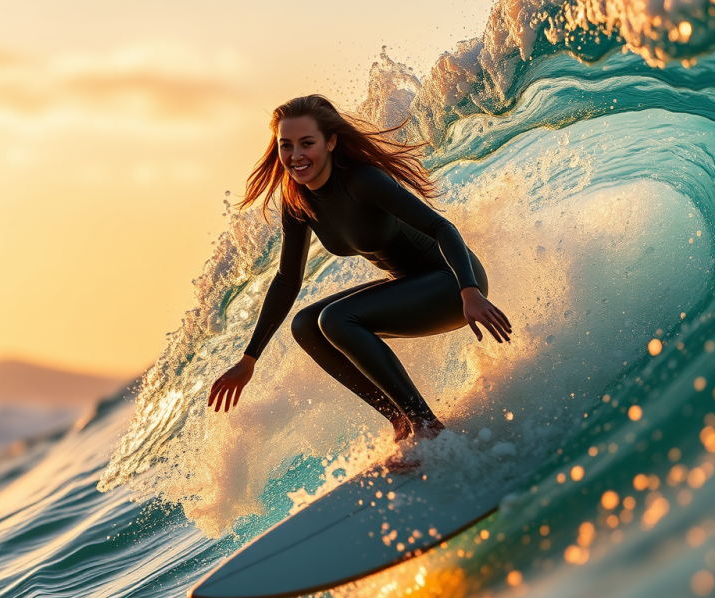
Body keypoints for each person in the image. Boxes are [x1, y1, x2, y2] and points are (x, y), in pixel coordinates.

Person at [208, 95, 510, 453]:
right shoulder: (298, 202)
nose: (295, 155)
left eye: (307, 143)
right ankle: (401, 419)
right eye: (285, 145)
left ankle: (427, 426)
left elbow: (442, 228)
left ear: (331, 142)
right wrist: (249, 358)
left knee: (336, 319)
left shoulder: (363, 180)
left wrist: (470, 290)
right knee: (306, 325)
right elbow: (288, 281)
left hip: (453, 282)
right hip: (411, 285)